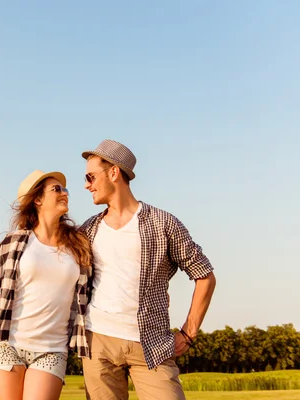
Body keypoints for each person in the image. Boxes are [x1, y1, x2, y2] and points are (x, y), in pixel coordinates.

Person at [78, 139, 217, 400]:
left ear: (114, 172)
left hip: (152, 343)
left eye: (90, 176)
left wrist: (188, 333)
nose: (87, 185)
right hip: (98, 343)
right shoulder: (88, 229)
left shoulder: (163, 223)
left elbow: (205, 276)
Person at [0, 170, 92, 400]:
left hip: (53, 349)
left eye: (65, 189)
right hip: (9, 346)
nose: (65, 193)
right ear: (37, 199)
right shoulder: (15, 242)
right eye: (56, 189)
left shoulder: (79, 244)